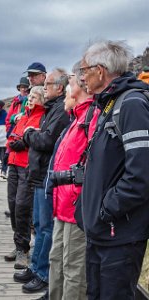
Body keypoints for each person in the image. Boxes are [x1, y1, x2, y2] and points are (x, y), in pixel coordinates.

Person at [78, 40, 149, 300]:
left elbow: (141, 174)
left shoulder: (131, 104)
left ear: (100, 70)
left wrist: (107, 209)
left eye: (84, 70)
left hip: (120, 235)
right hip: (102, 233)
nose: (81, 76)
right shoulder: (109, 104)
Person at [14, 68, 69, 295]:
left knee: (45, 228)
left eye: (47, 85)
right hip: (38, 174)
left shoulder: (60, 112)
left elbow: (46, 140)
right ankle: (35, 267)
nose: (44, 89)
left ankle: (43, 273)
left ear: (60, 87)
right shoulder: (51, 109)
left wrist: (28, 134)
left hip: (46, 175)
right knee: (39, 225)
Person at [47, 62, 100, 300]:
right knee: (57, 260)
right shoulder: (78, 117)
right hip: (63, 204)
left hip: (75, 205)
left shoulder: (92, 115)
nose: (67, 85)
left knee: (73, 269)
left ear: (81, 83)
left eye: (70, 80)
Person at [5, 86, 45, 268]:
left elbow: (39, 141)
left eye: (35, 96)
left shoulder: (42, 116)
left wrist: (24, 144)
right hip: (13, 164)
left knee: (22, 205)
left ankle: (23, 248)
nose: (30, 99)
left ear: (42, 100)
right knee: (13, 204)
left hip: (26, 166)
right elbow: (11, 136)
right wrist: (12, 144)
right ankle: (19, 243)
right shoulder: (24, 115)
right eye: (30, 96)